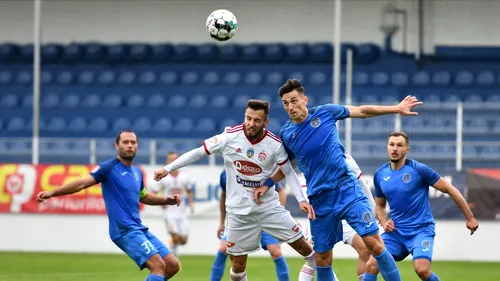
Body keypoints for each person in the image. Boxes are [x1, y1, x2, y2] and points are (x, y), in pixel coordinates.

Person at [265, 79, 423, 281]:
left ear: (305, 99)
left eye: (294, 100)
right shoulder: (287, 134)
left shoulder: (325, 112)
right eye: (286, 103)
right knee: (322, 258)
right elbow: (287, 166)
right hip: (319, 199)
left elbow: (362, 111)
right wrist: (266, 183)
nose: (290, 107)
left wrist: (396, 109)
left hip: (346, 189)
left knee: (374, 244)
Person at [154, 99, 317, 281]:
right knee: (237, 268)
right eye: (248, 118)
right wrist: (168, 169)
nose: (251, 124)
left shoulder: (274, 144)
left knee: (307, 250)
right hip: (239, 213)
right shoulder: (230, 136)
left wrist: (301, 199)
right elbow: (199, 152)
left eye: (256, 120)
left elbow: (289, 172)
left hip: (269, 209)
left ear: (266, 122)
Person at [36, 130, 181, 281]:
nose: (130, 146)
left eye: (133, 142)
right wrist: (53, 193)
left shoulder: (137, 172)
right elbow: (82, 183)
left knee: (172, 265)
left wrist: (166, 200)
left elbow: (143, 196)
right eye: (125, 142)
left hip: (139, 228)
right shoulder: (109, 168)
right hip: (124, 229)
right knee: (158, 265)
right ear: (116, 146)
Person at [363, 131, 479, 281]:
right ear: (387, 147)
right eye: (392, 145)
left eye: (399, 145)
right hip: (397, 232)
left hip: (421, 230)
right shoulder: (380, 174)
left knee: (422, 270)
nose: (395, 149)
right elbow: (379, 206)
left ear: (407, 150)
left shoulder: (419, 170)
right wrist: (384, 222)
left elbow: (451, 189)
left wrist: (470, 218)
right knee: (371, 265)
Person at [297, 154, 374, 281]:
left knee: (365, 249)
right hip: (323, 217)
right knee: (317, 259)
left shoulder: (347, 159)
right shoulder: (312, 160)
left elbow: (361, 183)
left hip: (345, 218)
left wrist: (373, 208)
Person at [210, 169, 291, 281]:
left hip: (265, 217)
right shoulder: (225, 174)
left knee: (276, 252)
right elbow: (223, 196)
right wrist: (221, 223)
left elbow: (281, 191)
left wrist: (276, 215)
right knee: (223, 249)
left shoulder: (258, 167)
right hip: (241, 220)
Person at [150, 152, 194, 258]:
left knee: (183, 240)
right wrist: (161, 201)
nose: (172, 161)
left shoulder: (184, 177)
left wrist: (191, 204)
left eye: (175, 159)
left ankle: (171, 253)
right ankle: (172, 258)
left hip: (182, 212)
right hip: (169, 213)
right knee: (175, 237)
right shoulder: (163, 177)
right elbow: (153, 192)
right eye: (170, 159)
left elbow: (189, 191)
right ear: (167, 161)